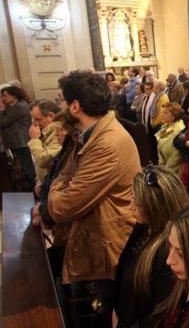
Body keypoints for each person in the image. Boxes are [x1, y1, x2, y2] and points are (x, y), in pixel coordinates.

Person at [31, 71, 141, 328]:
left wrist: (53, 198)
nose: (59, 106)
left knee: (105, 315)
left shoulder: (107, 143)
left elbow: (67, 202)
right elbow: (65, 177)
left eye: (62, 100)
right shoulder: (90, 135)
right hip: (94, 236)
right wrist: (60, 190)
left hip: (109, 243)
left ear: (75, 106)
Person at [114, 165, 189, 328]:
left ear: (155, 207)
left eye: (138, 202)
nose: (130, 205)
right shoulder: (145, 227)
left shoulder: (168, 249)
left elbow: (159, 313)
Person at [0, 85, 36, 190]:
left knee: (27, 169)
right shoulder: (14, 106)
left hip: (21, 142)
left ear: (14, 95)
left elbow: (3, 121)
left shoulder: (20, 106)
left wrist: (1, 109)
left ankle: (34, 192)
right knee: (20, 170)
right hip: (16, 142)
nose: (3, 99)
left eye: (5, 96)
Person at [27, 99, 62, 191]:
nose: (35, 123)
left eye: (38, 119)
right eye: (33, 120)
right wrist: (39, 180)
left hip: (55, 186)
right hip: (46, 183)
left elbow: (43, 160)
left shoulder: (60, 133)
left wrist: (34, 140)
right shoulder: (46, 132)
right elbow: (37, 162)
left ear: (51, 116)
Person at [155, 103, 186, 174]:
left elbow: (176, 157)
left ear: (174, 116)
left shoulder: (179, 129)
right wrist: (161, 167)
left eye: (165, 113)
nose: (162, 115)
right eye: (162, 113)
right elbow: (160, 151)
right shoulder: (164, 128)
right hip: (164, 169)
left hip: (174, 172)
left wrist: (165, 171)